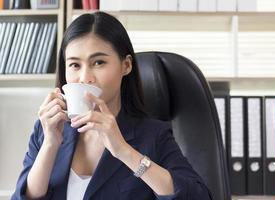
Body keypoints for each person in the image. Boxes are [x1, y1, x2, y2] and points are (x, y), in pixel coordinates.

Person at [12, 12, 212, 200]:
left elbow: (197, 196)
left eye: (98, 62)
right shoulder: (46, 129)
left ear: (126, 66)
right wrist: (49, 144)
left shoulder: (153, 135)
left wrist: (124, 151)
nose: (84, 78)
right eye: (74, 65)